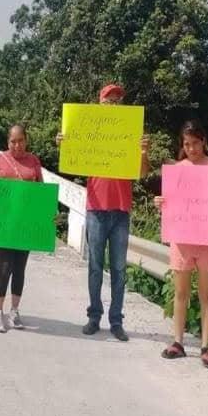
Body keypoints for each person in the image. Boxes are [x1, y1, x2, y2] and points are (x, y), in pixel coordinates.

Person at [56, 83, 150, 341]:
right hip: (96, 209)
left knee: (119, 269)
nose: (113, 104)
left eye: (117, 100)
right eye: (109, 99)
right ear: (100, 102)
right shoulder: (88, 131)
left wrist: (143, 153)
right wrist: (64, 145)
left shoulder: (130, 134)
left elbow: (142, 174)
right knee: (95, 267)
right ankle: (94, 316)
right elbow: (69, 165)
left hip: (121, 211)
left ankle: (116, 321)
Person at [154, 120, 208, 369]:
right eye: (186, 144)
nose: (191, 148)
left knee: (206, 295)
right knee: (180, 293)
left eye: (195, 143)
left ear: (203, 141)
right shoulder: (177, 170)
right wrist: (160, 202)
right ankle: (177, 342)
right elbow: (170, 203)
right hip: (182, 240)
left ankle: (205, 347)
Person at [0, 124, 44, 332]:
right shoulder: (1, 160)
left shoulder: (34, 162)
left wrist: (47, 216)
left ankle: (14, 310)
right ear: (8, 142)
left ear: (26, 140)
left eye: (20, 140)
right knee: (5, 266)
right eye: (13, 141)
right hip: (4, 223)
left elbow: (41, 194)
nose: (17, 145)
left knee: (20, 268)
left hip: (25, 224)